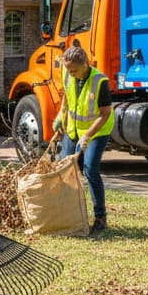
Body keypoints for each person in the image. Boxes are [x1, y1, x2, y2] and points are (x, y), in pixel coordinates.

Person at [52, 45, 114, 233]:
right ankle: (66, 214)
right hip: (74, 128)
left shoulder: (100, 81)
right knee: (63, 167)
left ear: (85, 64)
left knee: (90, 168)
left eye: (74, 70)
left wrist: (87, 135)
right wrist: (60, 121)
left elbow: (104, 114)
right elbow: (67, 100)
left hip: (97, 131)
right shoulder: (68, 73)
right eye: (68, 69)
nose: (71, 73)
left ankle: (100, 218)